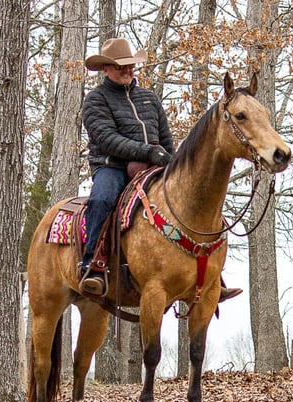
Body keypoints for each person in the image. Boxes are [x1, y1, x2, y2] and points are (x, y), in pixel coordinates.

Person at [80, 37, 241, 303]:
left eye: (130, 66)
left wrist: (173, 163)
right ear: (106, 69)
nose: (128, 71)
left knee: (190, 203)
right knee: (102, 199)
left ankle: (211, 275)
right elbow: (106, 138)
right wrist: (147, 152)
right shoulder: (96, 100)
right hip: (112, 167)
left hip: (154, 166)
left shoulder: (149, 99)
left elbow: (166, 140)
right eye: (121, 67)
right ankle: (93, 265)